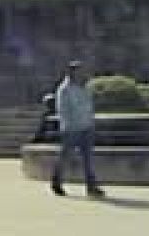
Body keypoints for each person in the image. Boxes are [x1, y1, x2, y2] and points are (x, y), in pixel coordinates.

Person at [50, 61, 105, 198]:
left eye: (82, 71)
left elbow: (89, 105)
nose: (82, 74)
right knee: (65, 156)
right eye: (79, 72)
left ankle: (91, 186)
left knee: (88, 159)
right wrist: (69, 126)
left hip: (86, 127)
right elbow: (62, 110)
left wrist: (91, 121)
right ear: (72, 72)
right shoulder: (64, 89)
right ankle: (56, 181)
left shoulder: (84, 87)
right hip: (72, 129)